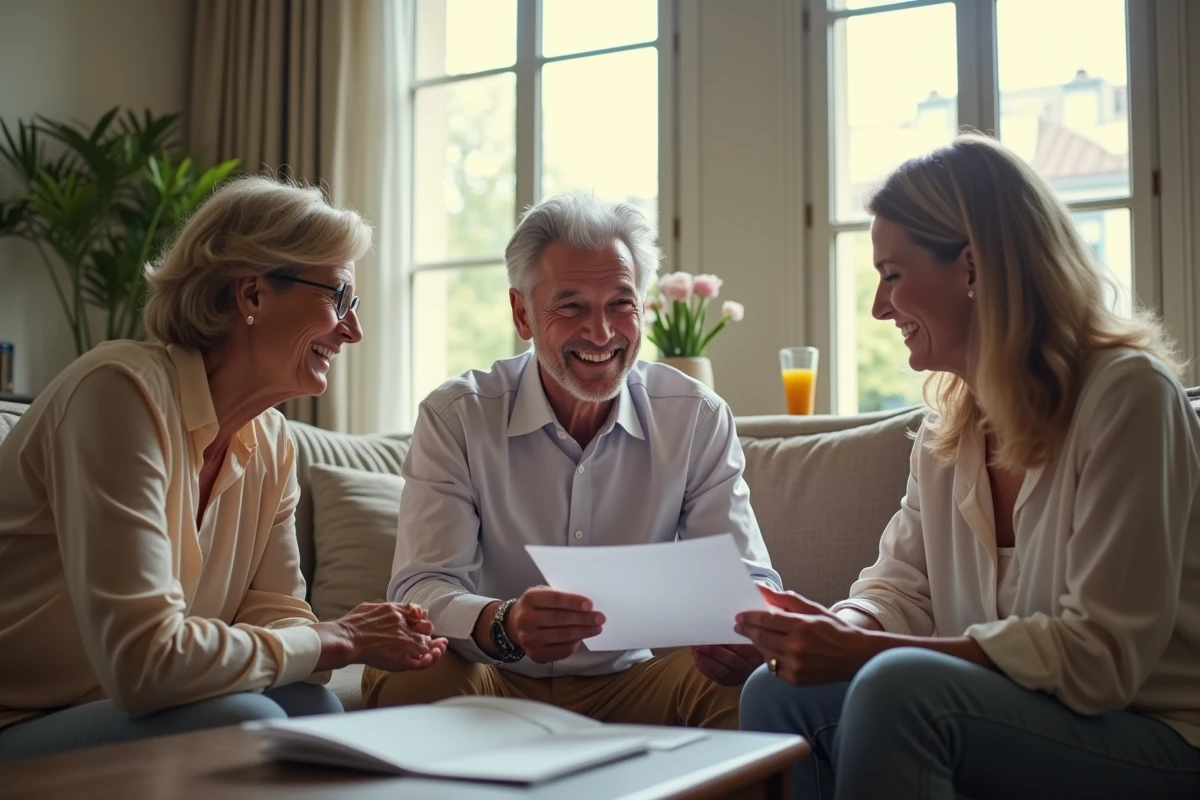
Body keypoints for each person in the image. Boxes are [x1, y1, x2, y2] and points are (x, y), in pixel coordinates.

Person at [735, 133, 1200, 799]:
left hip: (1154, 734)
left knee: (900, 690)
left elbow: (1101, 660)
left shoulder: (1128, 397)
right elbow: (903, 589)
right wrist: (842, 627)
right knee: (779, 692)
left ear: (974, 267)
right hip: (1016, 716)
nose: (878, 307)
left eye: (893, 275)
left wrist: (869, 655)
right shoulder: (947, 426)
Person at [0, 176, 447, 762]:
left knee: (316, 709)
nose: (352, 330)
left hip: (126, 708)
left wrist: (335, 637)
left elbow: (280, 613)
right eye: (338, 297)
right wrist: (338, 637)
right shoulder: (118, 392)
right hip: (23, 717)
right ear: (253, 295)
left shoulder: (272, 440)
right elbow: (146, 662)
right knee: (246, 720)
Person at [362, 193, 780, 729]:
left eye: (620, 304)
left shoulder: (695, 417)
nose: (602, 333)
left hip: (635, 681)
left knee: (749, 687)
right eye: (572, 306)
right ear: (522, 314)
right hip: (491, 676)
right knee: (418, 671)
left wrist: (742, 631)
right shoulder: (457, 416)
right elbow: (421, 589)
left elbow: (746, 577)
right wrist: (503, 623)